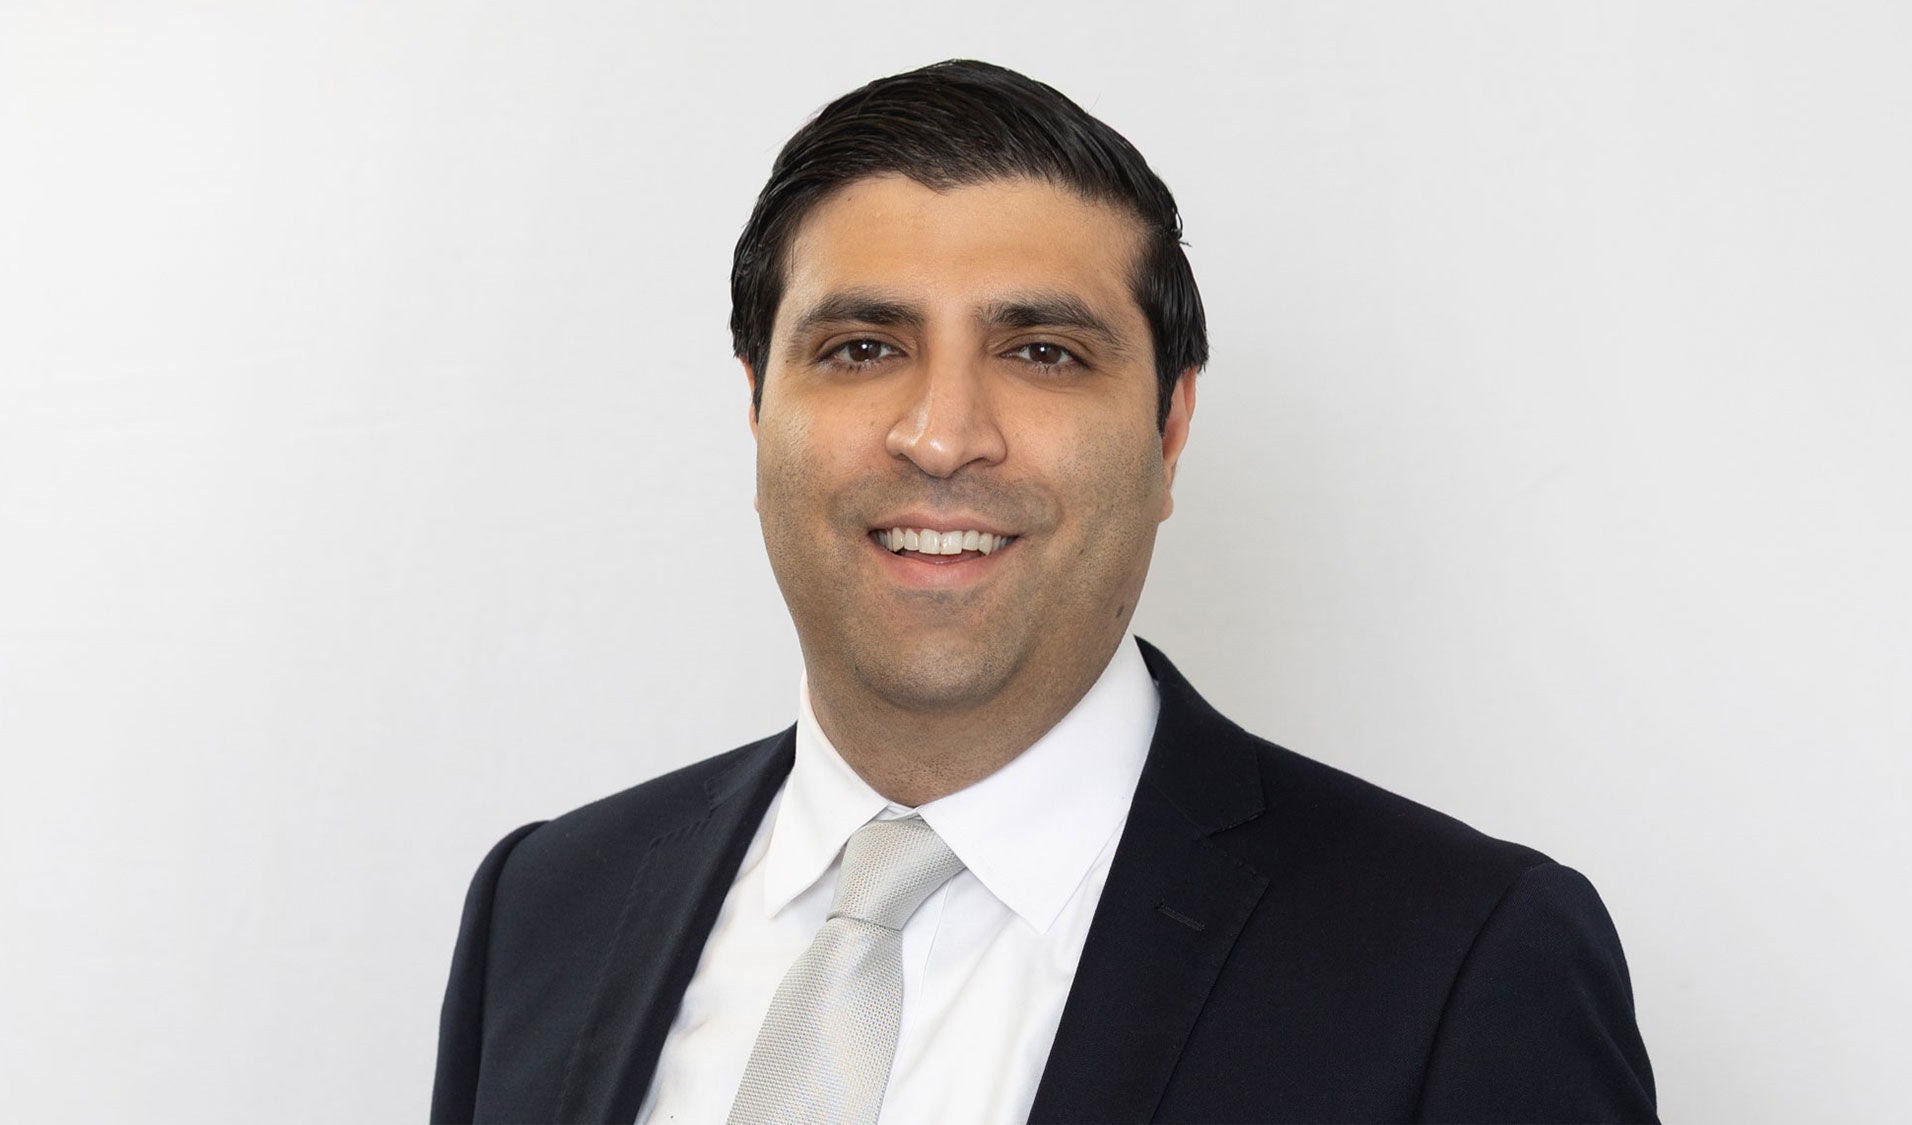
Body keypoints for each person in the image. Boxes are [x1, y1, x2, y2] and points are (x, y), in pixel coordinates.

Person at [431, 60, 1658, 1124]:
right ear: (757, 408)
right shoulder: (547, 906)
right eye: (863, 348)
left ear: (1167, 430)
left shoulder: (1457, 961)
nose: (941, 434)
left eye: (1041, 353)